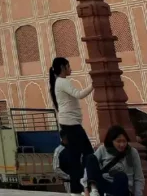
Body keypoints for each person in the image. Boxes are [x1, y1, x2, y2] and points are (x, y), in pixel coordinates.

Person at [51, 57, 94, 194]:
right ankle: (83, 186)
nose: (71, 69)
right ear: (63, 67)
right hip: (71, 124)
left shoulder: (59, 82)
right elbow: (79, 94)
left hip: (69, 123)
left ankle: (80, 187)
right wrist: (94, 84)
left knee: (77, 156)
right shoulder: (62, 82)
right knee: (87, 154)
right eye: (69, 66)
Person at [84, 125, 145, 196]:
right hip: (105, 184)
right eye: (118, 141)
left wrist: (138, 194)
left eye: (124, 141)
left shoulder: (132, 152)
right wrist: (86, 188)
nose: (122, 144)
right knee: (90, 158)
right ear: (111, 141)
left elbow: (139, 177)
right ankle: (93, 190)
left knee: (121, 176)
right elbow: (89, 169)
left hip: (123, 187)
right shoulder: (103, 149)